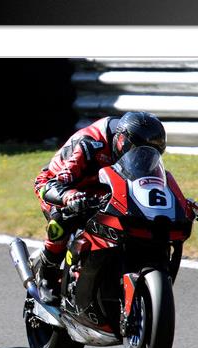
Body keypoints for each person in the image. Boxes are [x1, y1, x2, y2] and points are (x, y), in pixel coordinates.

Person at [32, 111, 167, 304]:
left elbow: (151, 185)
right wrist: (70, 197)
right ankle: (47, 272)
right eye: (136, 151)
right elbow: (55, 183)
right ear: (121, 141)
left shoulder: (140, 153)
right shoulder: (90, 144)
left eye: (148, 154)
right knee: (63, 218)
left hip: (102, 187)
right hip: (60, 185)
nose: (141, 158)